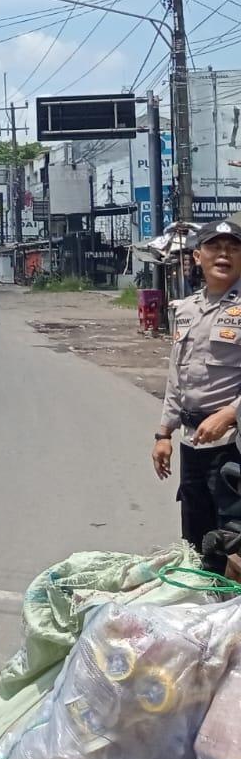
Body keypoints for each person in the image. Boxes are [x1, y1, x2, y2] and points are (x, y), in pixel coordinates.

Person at [155, 219, 241, 549]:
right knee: (194, 532)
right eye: (215, 247)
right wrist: (163, 434)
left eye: (233, 248)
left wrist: (229, 415)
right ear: (196, 257)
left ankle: (227, 600)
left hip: (233, 445)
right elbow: (177, 377)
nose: (224, 255)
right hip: (192, 444)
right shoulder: (186, 309)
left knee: (230, 537)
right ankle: (202, 598)